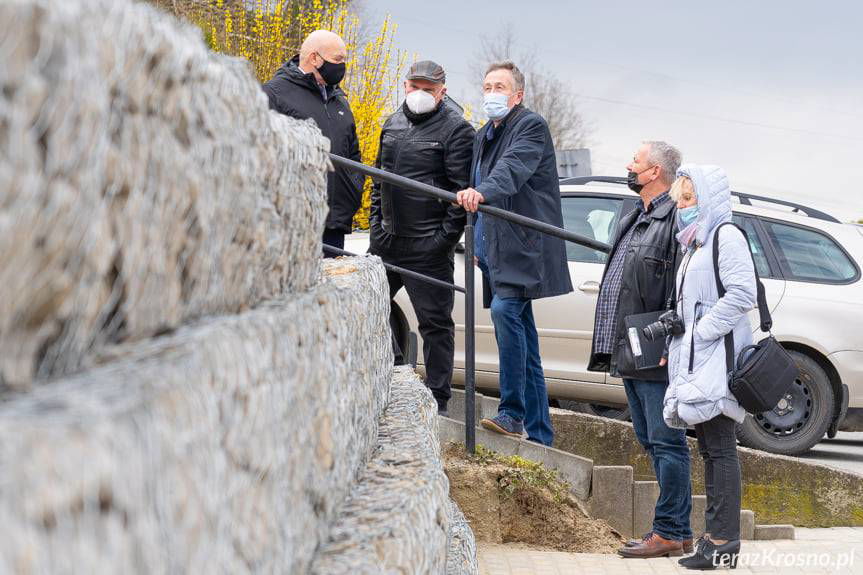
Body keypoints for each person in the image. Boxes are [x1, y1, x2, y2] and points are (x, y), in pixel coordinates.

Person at [456, 61, 572, 446]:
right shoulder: (483, 134)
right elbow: (476, 183)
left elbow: (511, 170)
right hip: (497, 249)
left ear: (517, 95)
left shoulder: (530, 126)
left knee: (507, 312)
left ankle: (512, 413)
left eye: (500, 86)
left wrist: (481, 192)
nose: (492, 93)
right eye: (487, 86)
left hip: (524, 246)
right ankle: (541, 434)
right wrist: (477, 243)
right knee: (527, 340)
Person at [587, 141, 694, 558]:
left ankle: (667, 530)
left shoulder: (674, 221)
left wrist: (668, 340)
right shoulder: (636, 215)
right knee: (651, 440)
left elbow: (680, 292)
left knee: (667, 443)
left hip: (655, 348)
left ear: (654, 174)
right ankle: (678, 531)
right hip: (630, 345)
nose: (629, 166)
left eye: (636, 161)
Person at [369, 61, 475, 415]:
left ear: (442, 91)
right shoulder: (392, 121)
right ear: (404, 86)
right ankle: (398, 373)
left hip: (428, 245)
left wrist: (440, 241)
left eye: (428, 89)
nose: (420, 94)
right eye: (415, 87)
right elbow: (377, 179)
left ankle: (437, 399)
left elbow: (461, 194)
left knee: (435, 324)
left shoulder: (457, 129)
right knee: (370, 306)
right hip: (387, 240)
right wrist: (375, 225)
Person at [665, 165, 755, 570]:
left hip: (718, 360)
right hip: (699, 361)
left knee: (720, 449)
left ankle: (723, 544)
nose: (682, 206)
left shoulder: (725, 236)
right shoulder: (695, 243)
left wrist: (702, 331)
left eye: (689, 198)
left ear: (709, 198)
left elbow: (742, 293)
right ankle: (713, 539)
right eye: (679, 200)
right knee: (709, 449)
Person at [262, 30, 363, 254]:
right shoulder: (274, 94)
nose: (343, 66)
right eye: (338, 59)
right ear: (315, 58)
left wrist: (353, 192)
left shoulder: (340, 102)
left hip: (335, 223)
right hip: (293, 224)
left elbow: (353, 154)